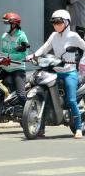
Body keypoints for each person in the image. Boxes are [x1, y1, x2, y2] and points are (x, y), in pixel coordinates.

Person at [27, 9, 84, 139]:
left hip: (69, 72)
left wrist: (80, 61)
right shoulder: (53, 36)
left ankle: (79, 128)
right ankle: (40, 129)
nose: (56, 25)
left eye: (59, 22)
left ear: (66, 23)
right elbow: (44, 48)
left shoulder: (73, 36)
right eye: (54, 23)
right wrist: (33, 55)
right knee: (45, 95)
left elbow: (84, 47)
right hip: (55, 71)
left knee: (71, 99)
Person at [0, 12, 29, 132]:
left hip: (17, 69)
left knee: (21, 95)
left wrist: (9, 56)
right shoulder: (4, 36)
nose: (5, 26)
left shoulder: (22, 36)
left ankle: (27, 118)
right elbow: (2, 52)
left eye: (7, 23)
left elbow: (24, 54)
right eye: (5, 23)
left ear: (15, 24)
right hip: (4, 68)